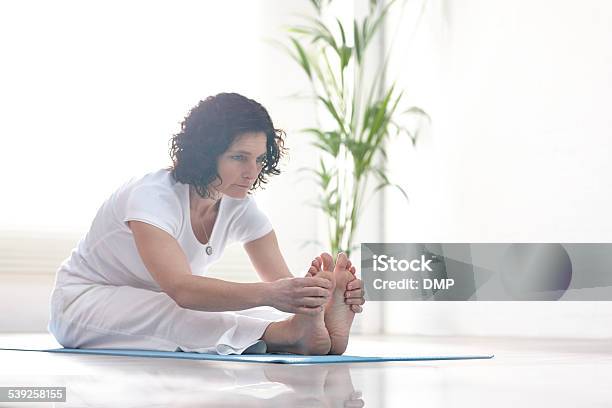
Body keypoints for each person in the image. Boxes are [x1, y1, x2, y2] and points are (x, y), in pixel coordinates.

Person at [48, 92, 365, 355]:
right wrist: (275, 294)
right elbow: (183, 290)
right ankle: (290, 335)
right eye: (239, 157)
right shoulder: (151, 198)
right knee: (183, 311)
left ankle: (306, 333)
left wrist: (311, 298)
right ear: (205, 153)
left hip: (160, 303)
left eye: (259, 159)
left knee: (245, 310)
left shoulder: (240, 206)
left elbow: (280, 287)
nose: (252, 172)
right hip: (82, 303)